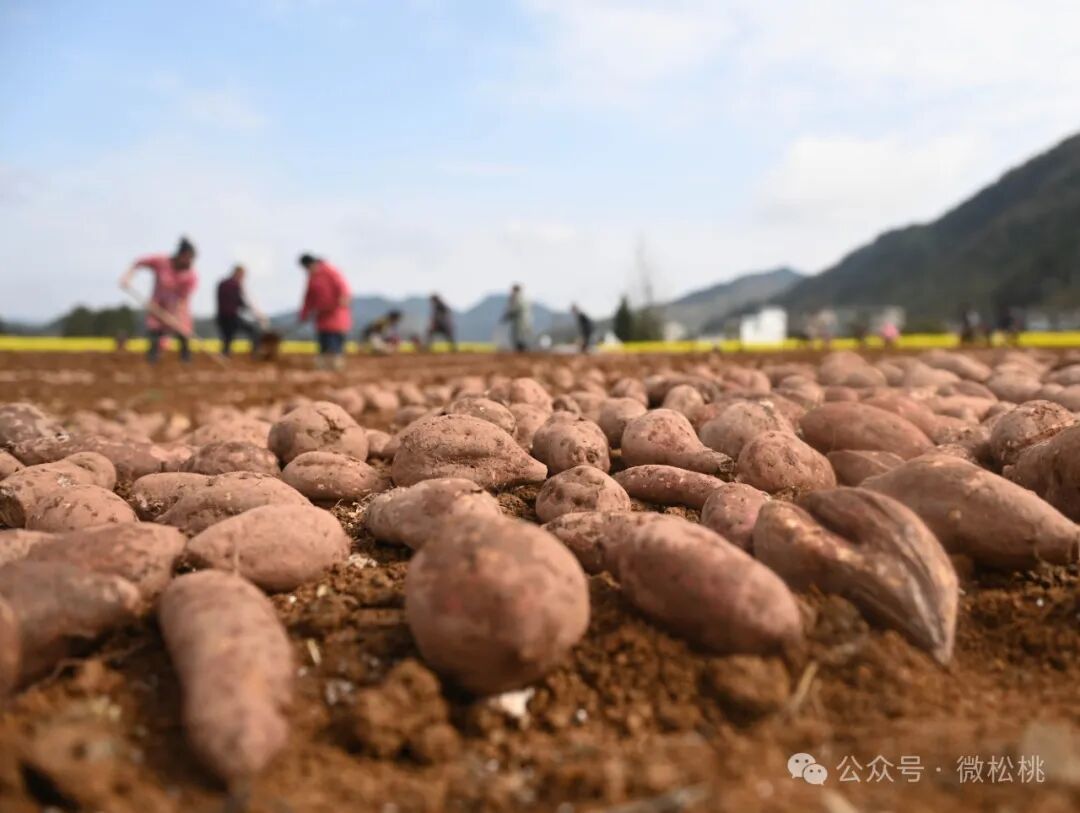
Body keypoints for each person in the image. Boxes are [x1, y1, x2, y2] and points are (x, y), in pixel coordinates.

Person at [119, 236, 198, 364]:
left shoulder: (191, 276)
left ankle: (186, 362)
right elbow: (138, 263)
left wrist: (175, 315)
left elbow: (183, 298)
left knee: (183, 333)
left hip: (179, 309)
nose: (190, 262)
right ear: (181, 255)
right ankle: (153, 363)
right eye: (188, 257)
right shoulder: (161, 262)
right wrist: (127, 277)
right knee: (155, 334)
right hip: (157, 307)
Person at [298, 253, 352, 370]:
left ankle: (336, 365)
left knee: (335, 341)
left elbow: (343, 287)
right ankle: (323, 367)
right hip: (321, 316)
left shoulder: (330, 271)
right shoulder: (311, 278)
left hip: (336, 313)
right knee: (323, 342)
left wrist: (344, 298)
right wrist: (304, 313)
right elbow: (309, 298)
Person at [216, 265, 267, 357]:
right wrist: (256, 313)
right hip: (231, 317)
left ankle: (225, 355)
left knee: (227, 338)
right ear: (238, 274)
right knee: (254, 331)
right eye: (243, 275)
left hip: (221, 317)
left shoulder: (223, 283)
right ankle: (255, 354)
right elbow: (240, 302)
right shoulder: (234, 285)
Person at [501, 284, 531, 352]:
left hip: (519, 320)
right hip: (526, 319)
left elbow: (514, 308)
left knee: (518, 336)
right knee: (523, 335)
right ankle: (522, 349)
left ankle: (521, 350)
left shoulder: (516, 297)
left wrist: (507, 316)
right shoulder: (525, 297)